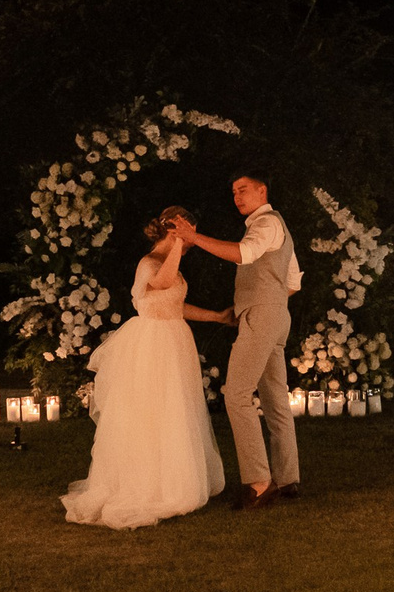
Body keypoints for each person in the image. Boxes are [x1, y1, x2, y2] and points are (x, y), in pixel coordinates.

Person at [63, 207, 235, 528]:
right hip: (153, 345)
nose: (193, 241)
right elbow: (161, 283)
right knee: (150, 413)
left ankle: (173, 481)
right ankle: (146, 485)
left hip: (174, 342)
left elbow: (174, 305)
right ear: (174, 231)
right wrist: (178, 243)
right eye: (188, 234)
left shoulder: (171, 264)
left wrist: (216, 316)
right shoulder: (150, 263)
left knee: (174, 411)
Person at [180, 172, 302, 510]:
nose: (237, 196)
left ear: (262, 190)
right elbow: (292, 282)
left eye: (243, 190)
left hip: (264, 318)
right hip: (276, 316)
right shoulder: (278, 226)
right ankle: (287, 478)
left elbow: (244, 254)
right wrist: (263, 301)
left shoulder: (266, 223)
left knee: (236, 394)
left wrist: (193, 237)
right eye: (233, 192)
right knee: (275, 400)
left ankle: (260, 483)